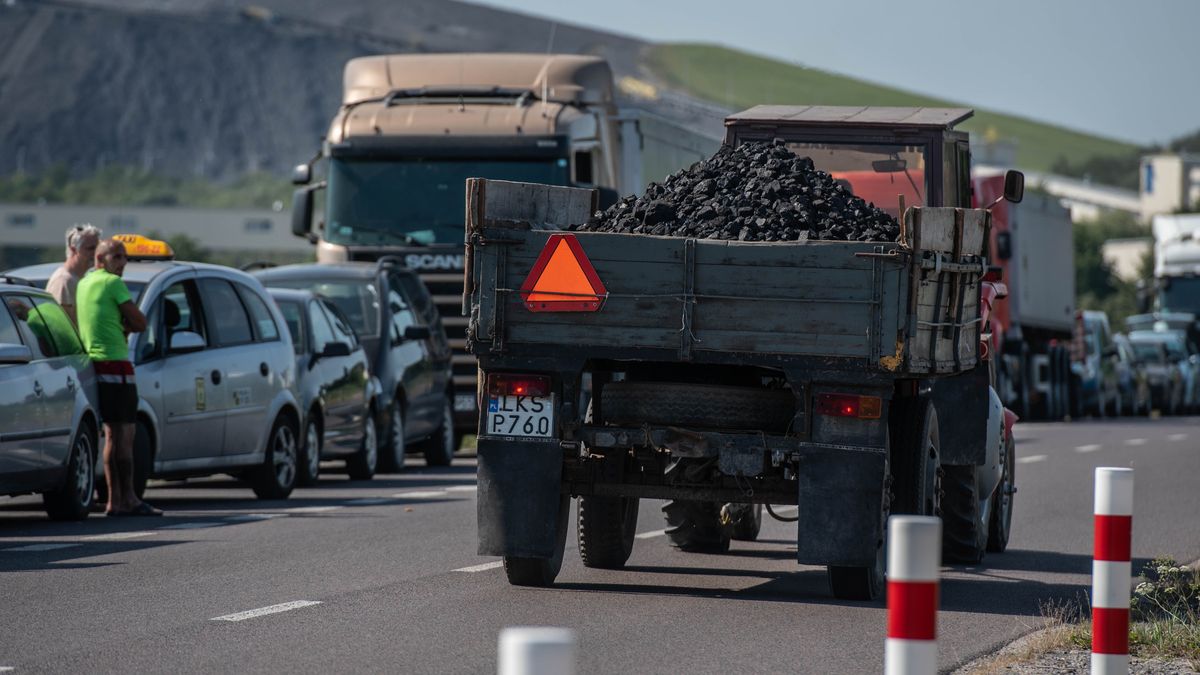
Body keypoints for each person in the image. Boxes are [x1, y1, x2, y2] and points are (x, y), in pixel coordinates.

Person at [77, 238, 161, 517]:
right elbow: (140, 322)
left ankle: (116, 500)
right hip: (115, 363)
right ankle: (128, 499)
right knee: (124, 433)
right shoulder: (112, 283)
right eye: (117, 257)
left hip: (96, 364)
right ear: (100, 259)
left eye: (124, 257)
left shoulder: (85, 283)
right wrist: (125, 324)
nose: (123, 263)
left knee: (113, 433)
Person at [46, 224, 102, 325]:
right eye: (91, 248)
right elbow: (63, 326)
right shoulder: (64, 280)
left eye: (97, 248)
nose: (96, 254)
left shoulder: (81, 279)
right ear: (74, 249)